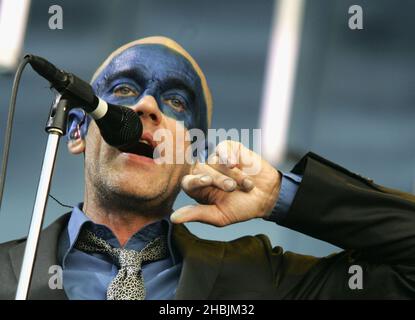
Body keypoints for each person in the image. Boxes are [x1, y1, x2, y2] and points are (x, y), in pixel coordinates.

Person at [0, 36, 414, 300]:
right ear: (77, 129)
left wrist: (280, 198)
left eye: (177, 102)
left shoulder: (262, 280)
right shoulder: (5, 273)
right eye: (125, 89)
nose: (146, 107)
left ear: (193, 152)